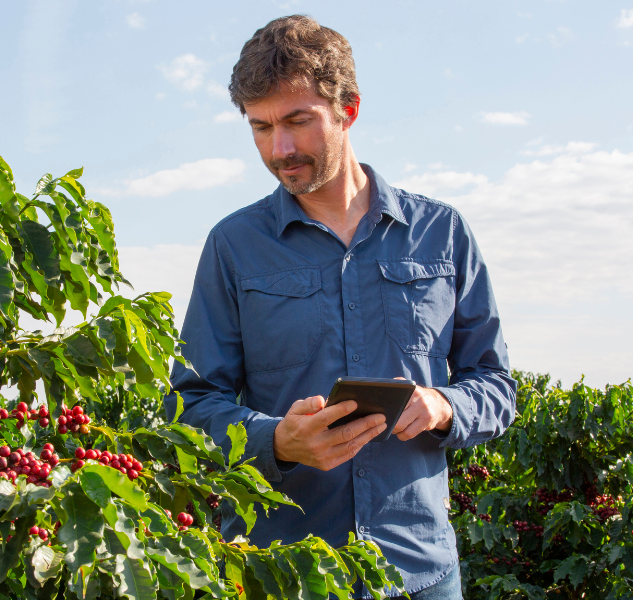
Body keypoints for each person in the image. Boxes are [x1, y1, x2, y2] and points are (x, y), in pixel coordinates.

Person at [166, 15, 516, 599]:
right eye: (260, 128)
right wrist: (275, 440)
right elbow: (190, 403)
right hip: (279, 575)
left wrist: (443, 405)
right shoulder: (233, 246)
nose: (279, 149)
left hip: (420, 572)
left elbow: (497, 385)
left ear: (348, 109)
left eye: (297, 122)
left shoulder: (442, 233)